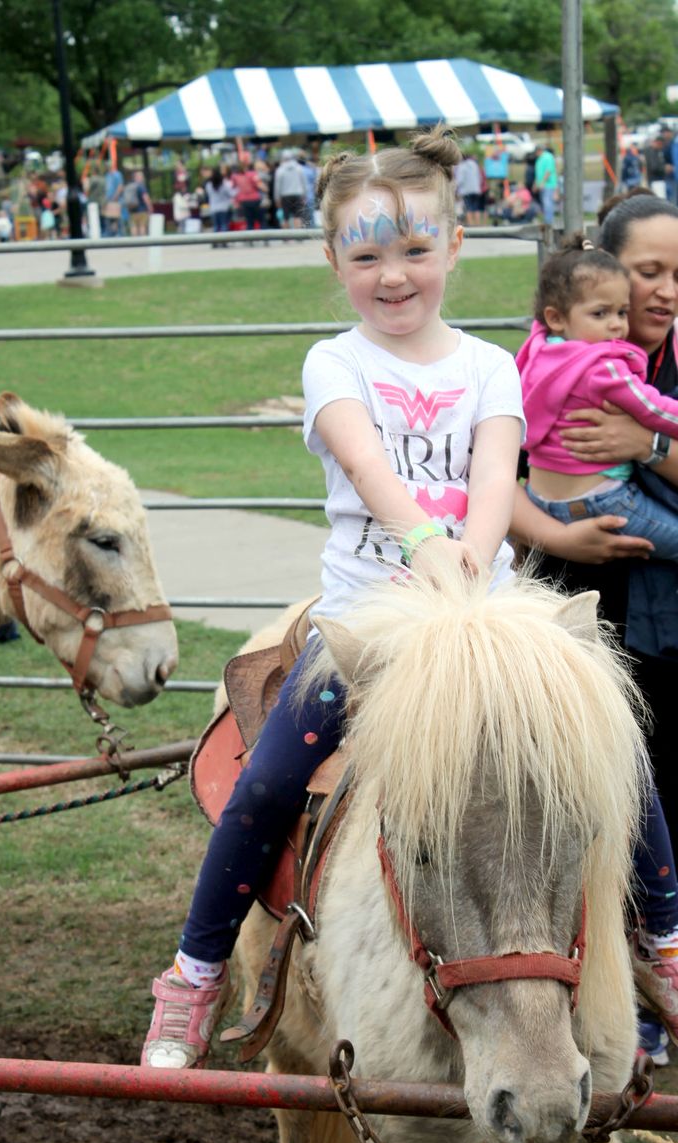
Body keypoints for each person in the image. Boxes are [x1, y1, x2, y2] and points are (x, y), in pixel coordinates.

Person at [143, 126, 525, 1070]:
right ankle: (193, 974)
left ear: (454, 245)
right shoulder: (335, 363)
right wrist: (428, 545)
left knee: (613, 764)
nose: (393, 275)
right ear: (334, 259)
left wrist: (469, 562)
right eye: (366, 256)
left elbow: (496, 480)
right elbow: (365, 460)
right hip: (366, 629)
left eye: (414, 250)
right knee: (268, 783)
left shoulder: (489, 366)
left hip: (488, 625)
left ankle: (661, 944)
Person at [510, 192, 678, 1057]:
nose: (662, 292)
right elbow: (497, 472)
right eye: (647, 272)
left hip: (666, 620)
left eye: (676, 274)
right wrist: (555, 531)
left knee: (659, 798)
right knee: (578, 806)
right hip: (570, 600)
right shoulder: (553, 358)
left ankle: (652, 1003)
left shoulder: (658, 367)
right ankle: (584, 996)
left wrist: (645, 444)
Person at [518, 233, 678, 561]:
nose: (616, 325)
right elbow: (653, 409)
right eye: (648, 272)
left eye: (621, 312)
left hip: (542, 500)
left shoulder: (537, 353)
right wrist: (556, 539)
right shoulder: (605, 366)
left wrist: (645, 444)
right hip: (604, 502)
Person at [273, 149, 307, 230]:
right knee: (297, 216)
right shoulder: (299, 168)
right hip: (298, 194)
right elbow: (303, 182)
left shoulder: (280, 170)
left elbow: (277, 186)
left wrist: (277, 198)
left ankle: (286, 236)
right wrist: (304, 195)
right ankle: (298, 235)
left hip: (285, 196)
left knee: (285, 217)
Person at [230, 160, 266, 233]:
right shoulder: (252, 174)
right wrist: (266, 189)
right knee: (261, 220)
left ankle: (250, 240)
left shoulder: (235, 176)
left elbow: (233, 188)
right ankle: (265, 239)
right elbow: (260, 185)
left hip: (243, 201)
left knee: (249, 221)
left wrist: (236, 201)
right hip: (255, 199)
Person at [204, 166, 234, 245]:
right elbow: (230, 194)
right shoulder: (223, 184)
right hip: (223, 207)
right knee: (224, 225)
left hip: (213, 208)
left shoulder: (209, 185)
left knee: (216, 226)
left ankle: (215, 242)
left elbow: (208, 195)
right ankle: (224, 242)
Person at [454, 151, 483, 226]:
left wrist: (455, 188)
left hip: (466, 191)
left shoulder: (462, 166)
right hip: (476, 189)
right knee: (476, 208)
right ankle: (478, 225)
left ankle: (471, 225)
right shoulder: (474, 164)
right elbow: (479, 177)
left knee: (468, 208)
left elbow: (460, 180)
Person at [534, 144, 559, 227]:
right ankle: (546, 219)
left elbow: (548, 171)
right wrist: (536, 183)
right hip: (542, 185)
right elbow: (538, 173)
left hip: (549, 184)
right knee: (544, 203)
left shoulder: (548, 157)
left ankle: (549, 221)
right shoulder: (539, 159)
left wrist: (542, 182)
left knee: (547, 202)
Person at [123, 170, 153, 237]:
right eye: (141, 176)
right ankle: (142, 244)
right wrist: (150, 208)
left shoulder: (130, 186)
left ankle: (134, 244)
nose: (143, 178)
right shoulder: (141, 186)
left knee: (133, 227)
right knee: (142, 226)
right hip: (142, 211)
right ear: (137, 177)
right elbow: (146, 198)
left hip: (132, 211)